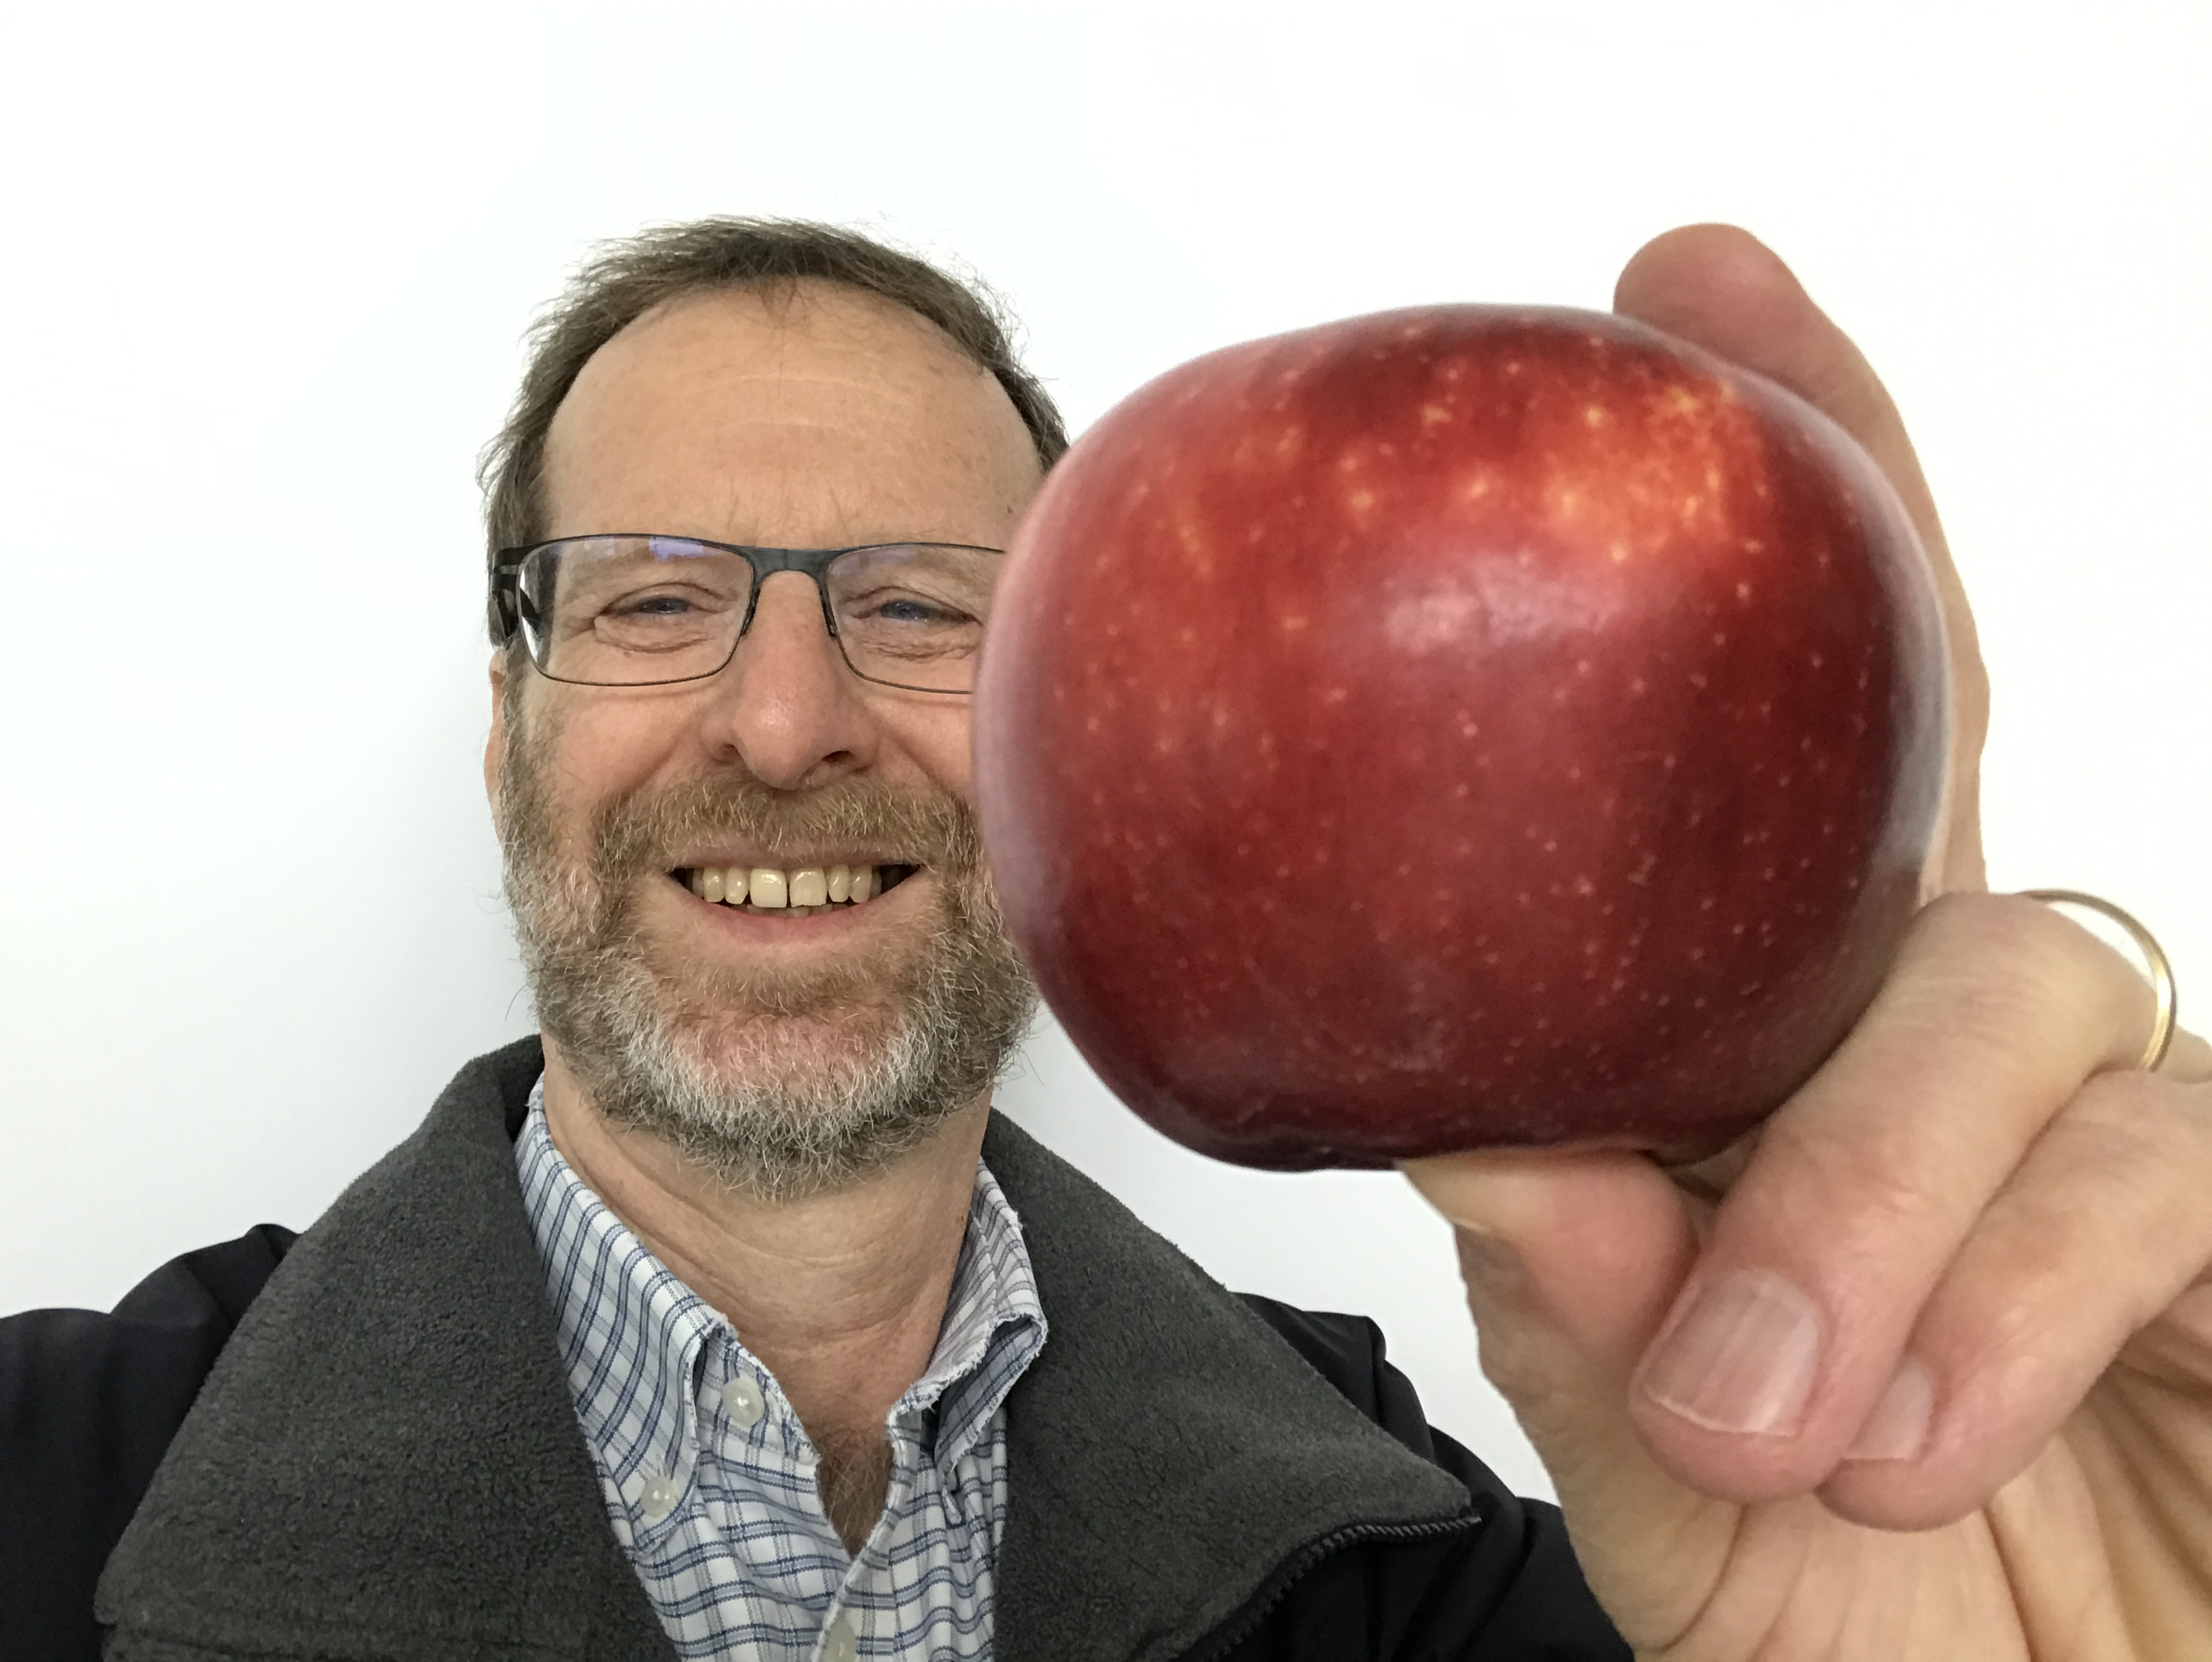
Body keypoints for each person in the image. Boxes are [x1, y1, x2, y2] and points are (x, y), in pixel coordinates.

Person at [3, 216, 2206, 1661]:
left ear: (1092, 723)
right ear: (509, 730)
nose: (784, 725)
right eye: (655, 602)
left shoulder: (1460, 1588)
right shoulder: (40, 1485)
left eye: (922, 609)